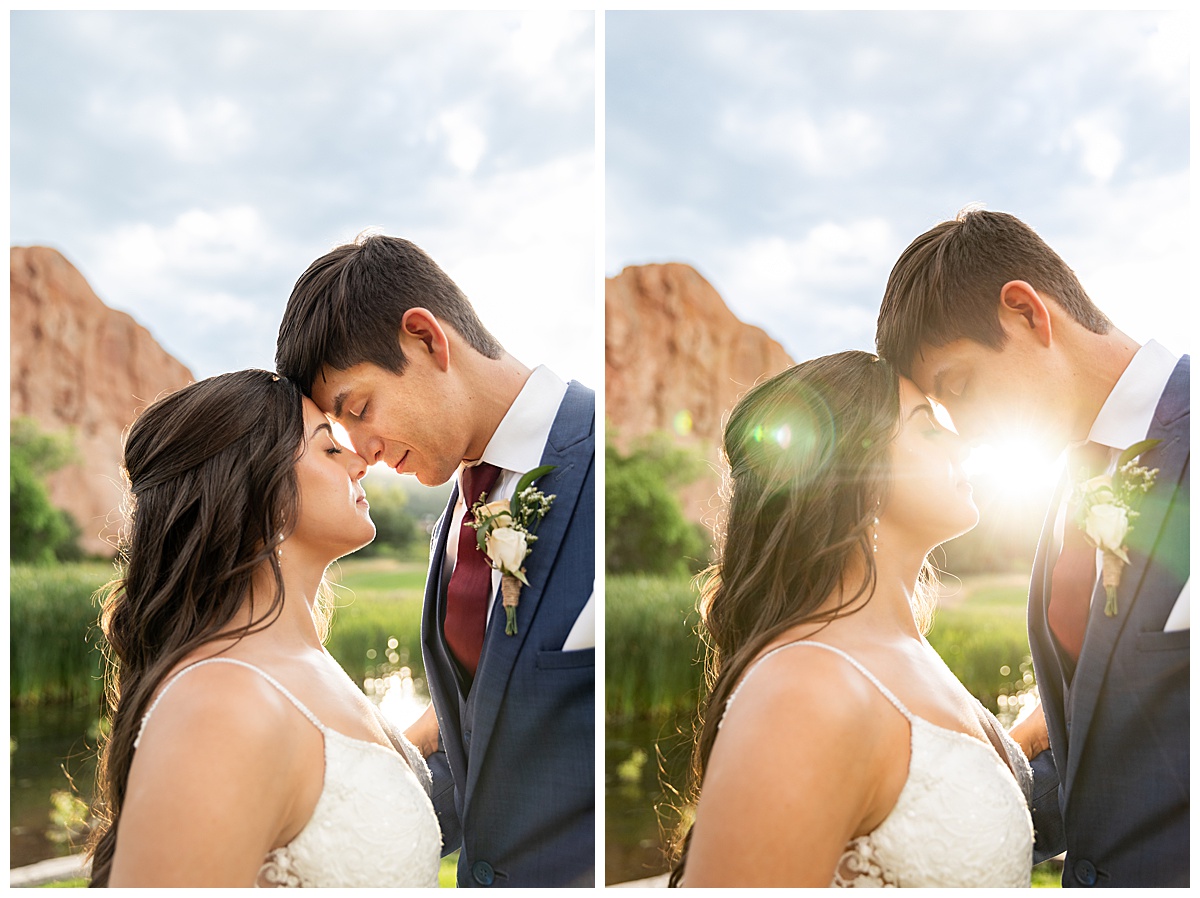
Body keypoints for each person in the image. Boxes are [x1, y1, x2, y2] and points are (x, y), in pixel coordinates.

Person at [876, 208, 1189, 887]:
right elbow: (1106, 757)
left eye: (958, 387)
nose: (967, 434)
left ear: (1025, 312)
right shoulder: (1065, 498)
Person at [275, 234, 595, 887]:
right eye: (339, 435)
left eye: (360, 410)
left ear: (426, 338)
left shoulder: (603, 457)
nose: (361, 452)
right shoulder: (453, 514)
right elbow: (487, 744)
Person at [670, 350, 1043, 887]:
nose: (964, 443)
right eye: (929, 430)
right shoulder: (802, 690)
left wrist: (1019, 745)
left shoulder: (906, 648)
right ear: (857, 476)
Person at [85, 369, 441, 887]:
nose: (361, 462)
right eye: (329, 449)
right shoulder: (218, 705)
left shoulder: (301, 663)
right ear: (264, 493)